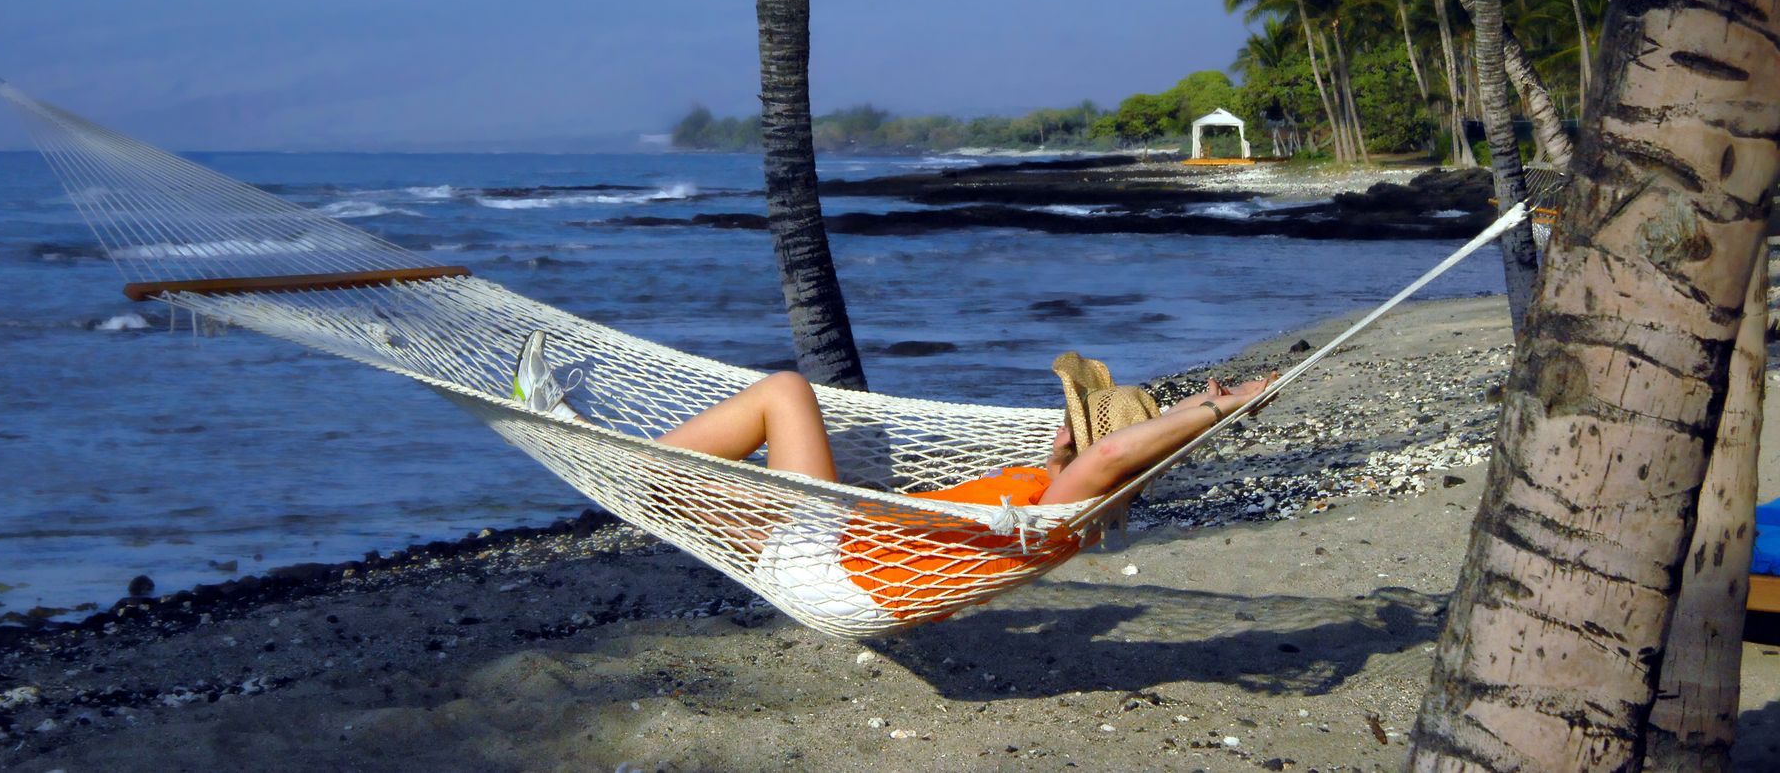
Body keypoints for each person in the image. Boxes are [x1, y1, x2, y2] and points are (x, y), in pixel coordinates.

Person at [511, 329, 1274, 507]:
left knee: (786, 391)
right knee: (696, 483)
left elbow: (1111, 460)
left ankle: (604, 450)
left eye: (1077, 417)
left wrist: (1216, 407)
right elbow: (1099, 455)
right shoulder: (1049, 483)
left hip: (843, 548)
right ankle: (613, 455)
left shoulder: (1069, 497)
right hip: (859, 535)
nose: (1064, 423)